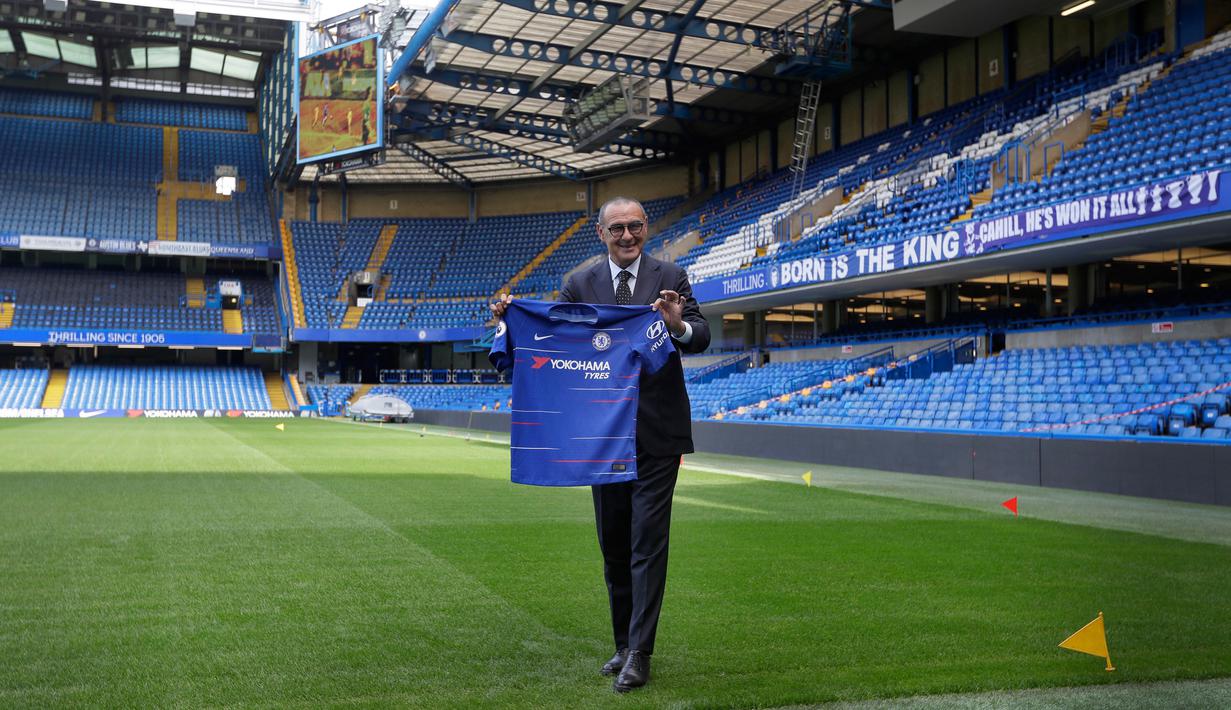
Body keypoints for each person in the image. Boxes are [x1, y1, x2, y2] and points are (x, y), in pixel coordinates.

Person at [491, 196, 710, 693]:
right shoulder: (579, 283)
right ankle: (621, 645)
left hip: (657, 434)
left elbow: (701, 335)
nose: (628, 235)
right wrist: (512, 317)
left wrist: (676, 325)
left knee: (646, 544)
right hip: (599, 436)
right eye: (618, 229)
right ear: (601, 232)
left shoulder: (672, 276)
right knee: (614, 546)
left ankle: (641, 653)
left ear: (646, 227)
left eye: (635, 226)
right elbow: (551, 334)